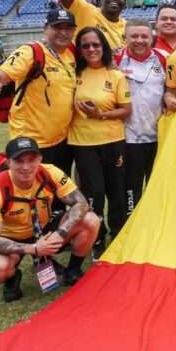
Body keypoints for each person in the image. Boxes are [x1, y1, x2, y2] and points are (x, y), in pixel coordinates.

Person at [0, 137, 101, 301]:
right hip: (11, 238)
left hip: (43, 229)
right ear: (8, 163)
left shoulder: (50, 172)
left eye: (31, 159)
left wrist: (61, 233)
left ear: (40, 159)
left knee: (91, 220)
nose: (26, 167)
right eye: (19, 161)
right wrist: (34, 248)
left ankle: (73, 271)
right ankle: (11, 277)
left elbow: (81, 203)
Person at [0, 8, 78, 173]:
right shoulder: (30, 52)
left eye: (68, 28)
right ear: (45, 28)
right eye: (57, 27)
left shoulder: (70, 54)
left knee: (60, 194)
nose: (63, 32)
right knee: (34, 195)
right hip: (31, 144)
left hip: (62, 141)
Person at [70, 27, 131, 257]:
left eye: (96, 44)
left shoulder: (115, 75)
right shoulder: (73, 74)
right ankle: (97, 239)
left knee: (116, 192)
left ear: (103, 47)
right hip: (82, 144)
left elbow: (126, 110)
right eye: (86, 45)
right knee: (94, 193)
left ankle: (119, 236)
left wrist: (100, 115)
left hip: (113, 141)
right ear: (80, 50)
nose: (91, 49)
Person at [115, 20, 166, 215]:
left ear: (152, 38)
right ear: (125, 37)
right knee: (131, 188)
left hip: (158, 137)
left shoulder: (163, 59)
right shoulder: (116, 59)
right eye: (134, 36)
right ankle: (131, 226)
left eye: (144, 36)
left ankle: (155, 226)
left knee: (156, 186)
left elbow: (170, 89)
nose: (139, 40)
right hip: (128, 137)